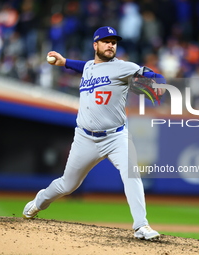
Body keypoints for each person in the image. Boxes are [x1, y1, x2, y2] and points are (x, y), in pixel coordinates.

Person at [22, 26, 165, 240]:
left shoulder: (124, 67)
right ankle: (39, 202)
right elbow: (86, 66)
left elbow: (153, 76)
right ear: (95, 45)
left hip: (116, 137)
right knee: (67, 185)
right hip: (85, 138)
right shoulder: (89, 66)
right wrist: (64, 62)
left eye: (113, 42)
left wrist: (155, 81)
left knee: (131, 174)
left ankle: (141, 226)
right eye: (106, 41)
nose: (111, 45)